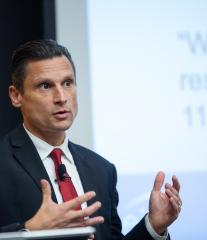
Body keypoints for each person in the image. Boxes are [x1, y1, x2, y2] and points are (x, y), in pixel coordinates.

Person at [0, 39, 182, 240]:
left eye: (68, 83)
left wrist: (153, 227)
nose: (61, 97)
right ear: (16, 95)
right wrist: (29, 230)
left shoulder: (102, 170)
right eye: (45, 86)